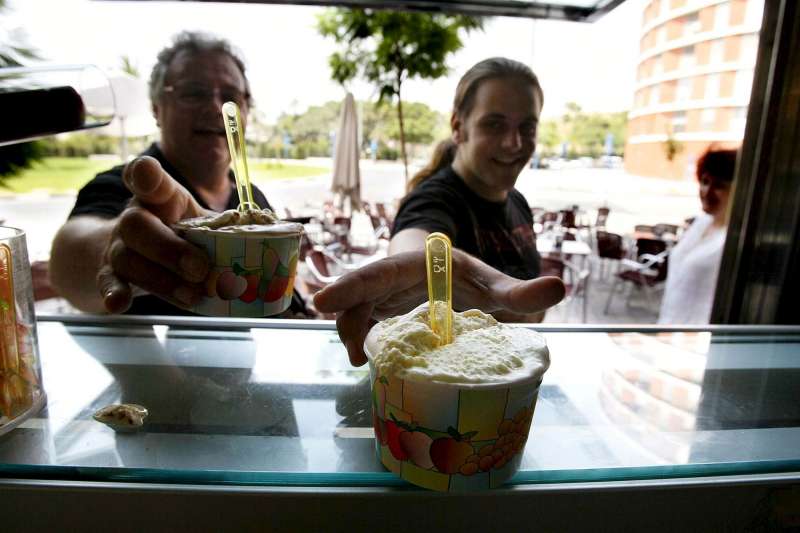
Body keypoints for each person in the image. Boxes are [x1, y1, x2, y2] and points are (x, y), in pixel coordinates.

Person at [49, 31, 308, 316]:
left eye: (231, 96)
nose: (215, 107)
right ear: (157, 109)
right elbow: (68, 259)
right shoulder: (127, 185)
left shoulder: (253, 197)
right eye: (194, 93)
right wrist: (117, 248)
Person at [389, 57, 545, 322]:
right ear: (458, 128)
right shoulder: (434, 199)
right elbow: (412, 252)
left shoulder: (518, 203)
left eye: (527, 128)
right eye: (494, 124)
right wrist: (428, 268)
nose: (514, 143)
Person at [658, 146, 738, 324]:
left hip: (701, 339)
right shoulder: (701, 223)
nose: (707, 191)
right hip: (668, 328)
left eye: (719, 186)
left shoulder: (734, 238)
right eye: (705, 182)